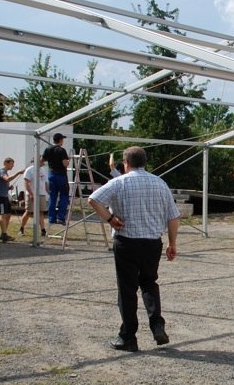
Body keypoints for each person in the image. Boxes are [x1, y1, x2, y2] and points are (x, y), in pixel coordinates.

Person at [88, 146, 181, 352]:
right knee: (149, 283)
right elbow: (173, 216)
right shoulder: (160, 183)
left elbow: (93, 199)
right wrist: (172, 243)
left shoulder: (119, 182)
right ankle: (157, 325)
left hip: (127, 241)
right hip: (152, 242)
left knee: (127, 289)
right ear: (144, 162)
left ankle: (128, 336)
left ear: (126, 163)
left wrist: (110, 219)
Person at [42, 132, 70, 226]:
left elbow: (42, 160)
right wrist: (68, 160)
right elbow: (65, 164)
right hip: (61, 175)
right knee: (64, 195)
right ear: (60, 140)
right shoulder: (61, 150)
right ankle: (61, 218)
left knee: (52, 196)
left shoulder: (48, 149)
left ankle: (51, 218)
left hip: (51, 174)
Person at [0, 157, 24, 243]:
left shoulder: (5, 172)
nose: (13, 166)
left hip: (5, 196)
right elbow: (7, 179)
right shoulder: (1, 171)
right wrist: (18, 173)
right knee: (3, 215)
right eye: (11, 164)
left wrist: (8, 187)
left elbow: (3, 183)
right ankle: (4, 235)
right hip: (0, 197)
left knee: (8, 214)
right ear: (6, 163)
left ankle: (4, 233)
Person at [19, 155, 49, 237]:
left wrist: (49, 192)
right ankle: (21, 228)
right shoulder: (30, 170)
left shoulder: (43, 170)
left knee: (41, 212)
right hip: (32, 194)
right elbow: (26, 182)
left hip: (41, 194)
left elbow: (46, 183)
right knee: (28, 211)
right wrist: (31, 194)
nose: (44, 162)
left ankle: (43, 230)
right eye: (42, 160)